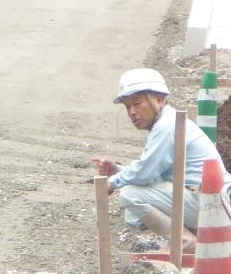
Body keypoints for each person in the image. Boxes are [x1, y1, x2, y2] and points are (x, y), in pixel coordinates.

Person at [95, 67, 227, 238]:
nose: (132, 112)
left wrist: (112, 183)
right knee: (134, 213)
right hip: (211, 202)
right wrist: (118, 170)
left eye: (137, 103)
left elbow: (145, 174)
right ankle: (190, 240)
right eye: (128, 107)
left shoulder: (166, 127)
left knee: (130, 194)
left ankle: (185, 242)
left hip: (210, 203)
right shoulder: (168, 122)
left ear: (158, 100)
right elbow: (153, 172)